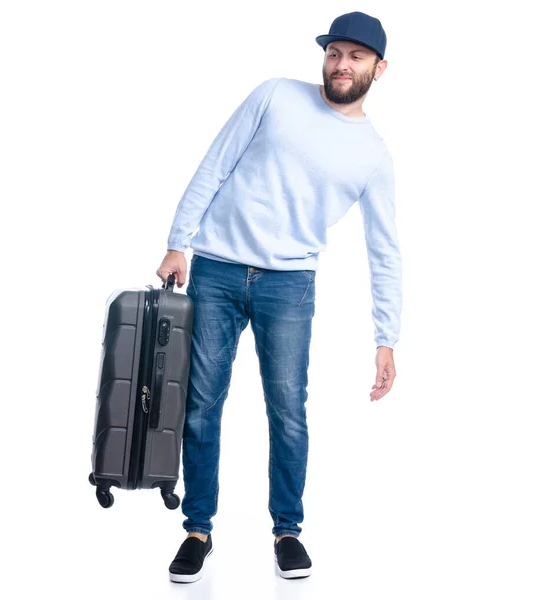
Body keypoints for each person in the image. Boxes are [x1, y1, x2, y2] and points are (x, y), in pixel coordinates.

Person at [156, 11, 402, 583]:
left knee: (288, 411)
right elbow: (214, 165)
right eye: (335, 52)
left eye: (357, 57)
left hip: (289, 284)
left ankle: (287, 531)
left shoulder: (373, 155)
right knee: (199, 405)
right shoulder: (275, 95)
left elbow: (384, 249)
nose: (342, 64)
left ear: (379, 68)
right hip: (215, 269)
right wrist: (177, 244)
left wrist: (386, 338)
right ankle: (198, 529)